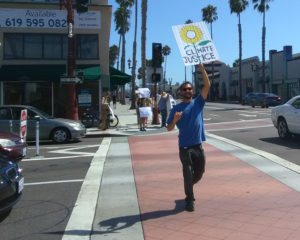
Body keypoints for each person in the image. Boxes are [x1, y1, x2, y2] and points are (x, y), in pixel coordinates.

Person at [166, 63, 210, 212]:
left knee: (199, 173)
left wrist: (201, 69)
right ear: (181, 92)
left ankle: (189, 184)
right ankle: (190, 200)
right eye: (185, 89)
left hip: (198, 145)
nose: (187, 91)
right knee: (187, 173)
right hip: (184, 147)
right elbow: (169, 128)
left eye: (190, 89)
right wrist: (174, 121)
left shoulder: (198, 103)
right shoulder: (176, 109)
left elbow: (207, 86)